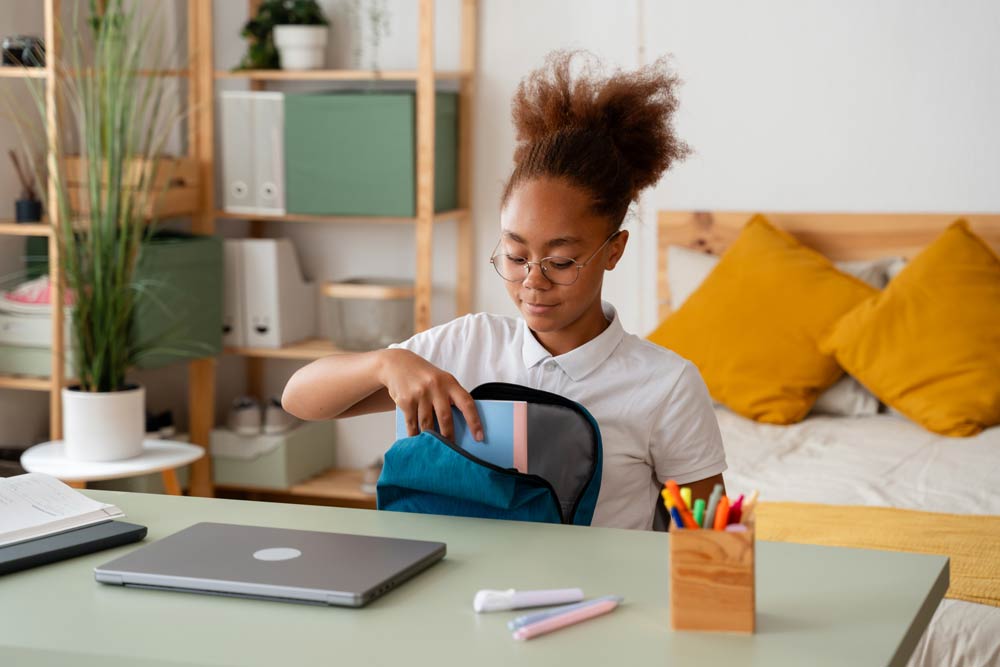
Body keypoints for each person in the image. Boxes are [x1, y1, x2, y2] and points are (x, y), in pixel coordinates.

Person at [282, 51, 726, 530]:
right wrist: (386, 363)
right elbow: (299, 400)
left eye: (560, 262)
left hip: (594, 602)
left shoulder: (665, 386)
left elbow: (708, 547)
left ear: (614, 251)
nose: (533, 281)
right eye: (515, 257)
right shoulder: (464, 346)